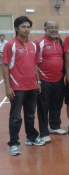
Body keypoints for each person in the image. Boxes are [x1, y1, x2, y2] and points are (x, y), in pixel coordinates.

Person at [2, 16, 45, 156]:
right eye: (23, 27)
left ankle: (31, 137)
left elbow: (35, 65)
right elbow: (5, 66)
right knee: (15, 117)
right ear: (16, 28)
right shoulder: (10, 45)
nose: (26, 29)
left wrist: (37, 82)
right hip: (17, 87)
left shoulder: (33, 45)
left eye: (28, 27)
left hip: (31, 86)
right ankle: (14, 144)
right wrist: (8, 87)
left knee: (30, 115)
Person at [35, 21, 67, 143]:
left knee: (57, 104)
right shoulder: (38, 43)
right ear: (45, 29)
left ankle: (55, 126)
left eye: (56, 27)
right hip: (44, 80)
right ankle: (44, 132)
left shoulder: (59, 41)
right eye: (51, 28)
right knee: (43, 107)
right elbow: (34, 63)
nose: (54, 30)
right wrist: (37, 80)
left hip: (58, 79)